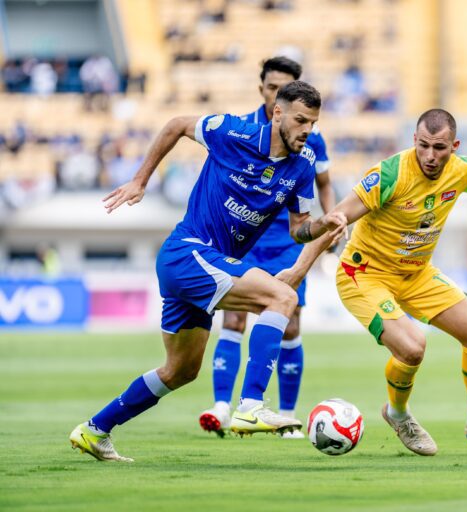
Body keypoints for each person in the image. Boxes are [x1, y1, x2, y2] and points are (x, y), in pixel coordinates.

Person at [68, 81, 347, 462]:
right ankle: (250, 405)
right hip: (187, 252)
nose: (307, 130)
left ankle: (95, 430)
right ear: (278, 113)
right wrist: (139, 180)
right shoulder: (233, 132)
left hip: (200, 267)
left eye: (313, 123)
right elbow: (177, 125)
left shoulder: (303, 166)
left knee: (180, 371)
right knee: (282, 296)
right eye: (301, 120)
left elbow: (299, 229)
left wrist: (323, 225)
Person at [281, 108, 467, 456]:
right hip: (365, 274)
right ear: (414, 140)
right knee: (413, 347)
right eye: (424, 146)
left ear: (454, 147)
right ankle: (397, 413)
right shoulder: (389, 175)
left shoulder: (461, 170)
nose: (430, 156)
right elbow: (335, 219)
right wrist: (298, 271)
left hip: (416, 274)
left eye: (440, 148)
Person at [199, 56, 335, 439]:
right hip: (244, 240)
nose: (276, 93)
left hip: (290, 241)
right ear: (262, 89)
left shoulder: (310, 137)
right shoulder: (243, 129)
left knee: (290, 325)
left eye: (284, 87)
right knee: (234, 320)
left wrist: (331, 223)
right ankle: (222, 406)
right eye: (272, 86)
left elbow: (324, 184)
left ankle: (287, 414)